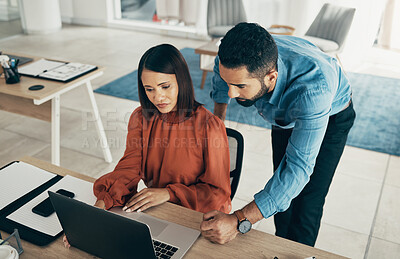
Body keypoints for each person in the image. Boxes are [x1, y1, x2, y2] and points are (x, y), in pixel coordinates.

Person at [200, 23, 356, 247]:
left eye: (240, 86)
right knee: (282, 189)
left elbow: (297, 169)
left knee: (306, 202)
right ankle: (281, 244)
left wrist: (238, 221)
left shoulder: (314, 91)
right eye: (229, 84)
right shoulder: (236, 57)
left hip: (331, 115)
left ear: (271, 77)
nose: (232, 94)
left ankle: (298, 251)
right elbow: (219, 70)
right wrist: (218, 123)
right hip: (284, 111)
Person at [63, 44, 231, 247]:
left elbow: (218, 195)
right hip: (158, 214)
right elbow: (129, 168)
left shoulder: (209, 126)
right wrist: (100, 206)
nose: (157, 97)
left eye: (165, 86)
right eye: (149, 89)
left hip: (195, 221)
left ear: (182, 80)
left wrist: (169, 193)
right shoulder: (140, 118)